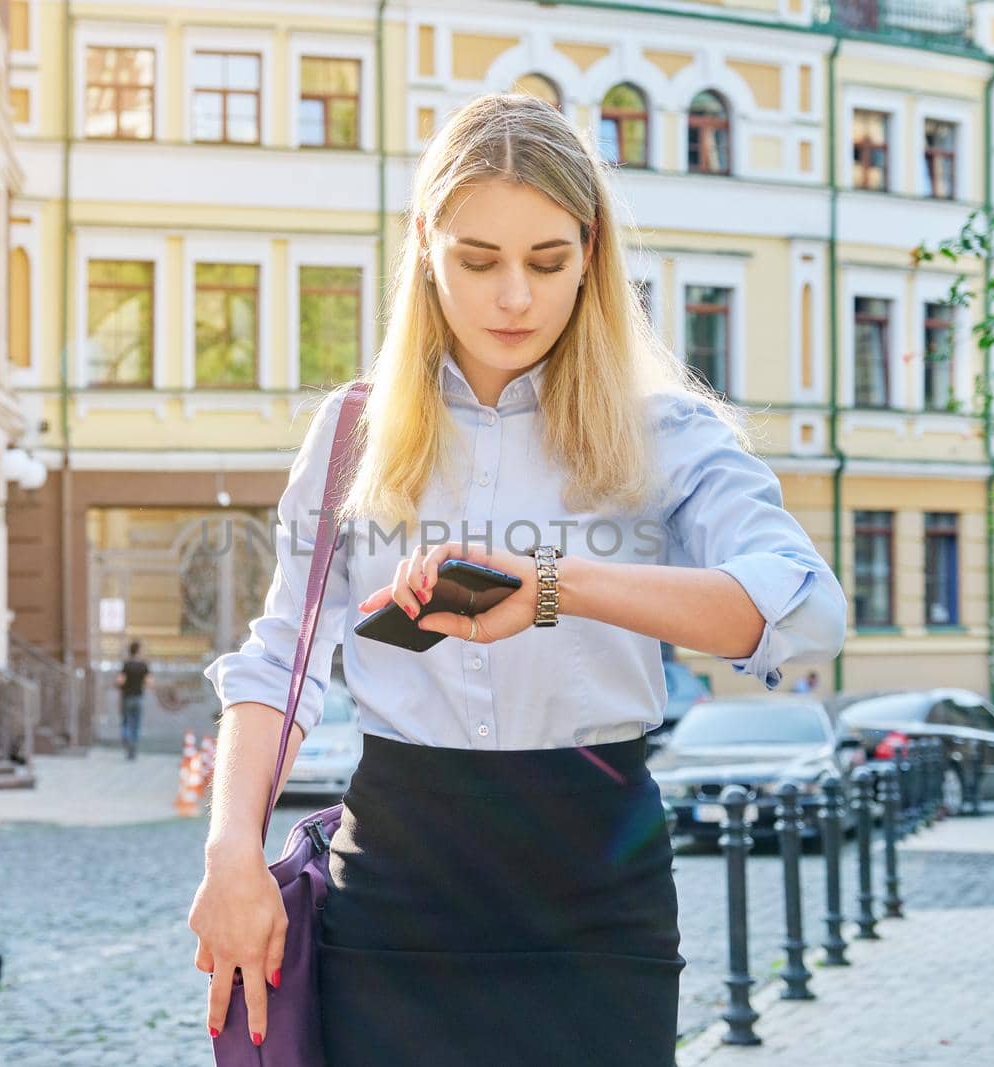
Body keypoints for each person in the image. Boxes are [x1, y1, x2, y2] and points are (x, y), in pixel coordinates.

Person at [189, 93, 847, 1065]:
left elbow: (810, 610)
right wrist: (230, 850)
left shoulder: (666, 431)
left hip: (595, 887)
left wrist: (551, 583)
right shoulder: (352, 435)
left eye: (546, 260)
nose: (512, 297)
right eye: (477, 258)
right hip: (395, 887)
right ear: (424, 244)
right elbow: (281, 654)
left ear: (590, 252)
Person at [115, 640, 151, 761]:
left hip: (127, 697)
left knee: (126, 721)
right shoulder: (143, 665)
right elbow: (149, 682)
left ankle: (126, 740)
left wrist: (121, 686)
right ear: (139, 650)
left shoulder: (126, 664)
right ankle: (133, 748)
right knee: (135, 724)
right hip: (138, 697)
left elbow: (120, 681)